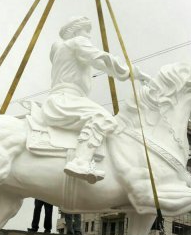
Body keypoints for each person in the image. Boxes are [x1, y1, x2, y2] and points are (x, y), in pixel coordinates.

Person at [41, 16, 150, 184]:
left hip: (59, 97)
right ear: (76, 31)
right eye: (86, 31)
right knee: (104, 118)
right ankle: (81, 162)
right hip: (67, 98)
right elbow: (103, 60)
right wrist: (134, 73)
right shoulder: (77, 42)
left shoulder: (58, 48)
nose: (89, 36)